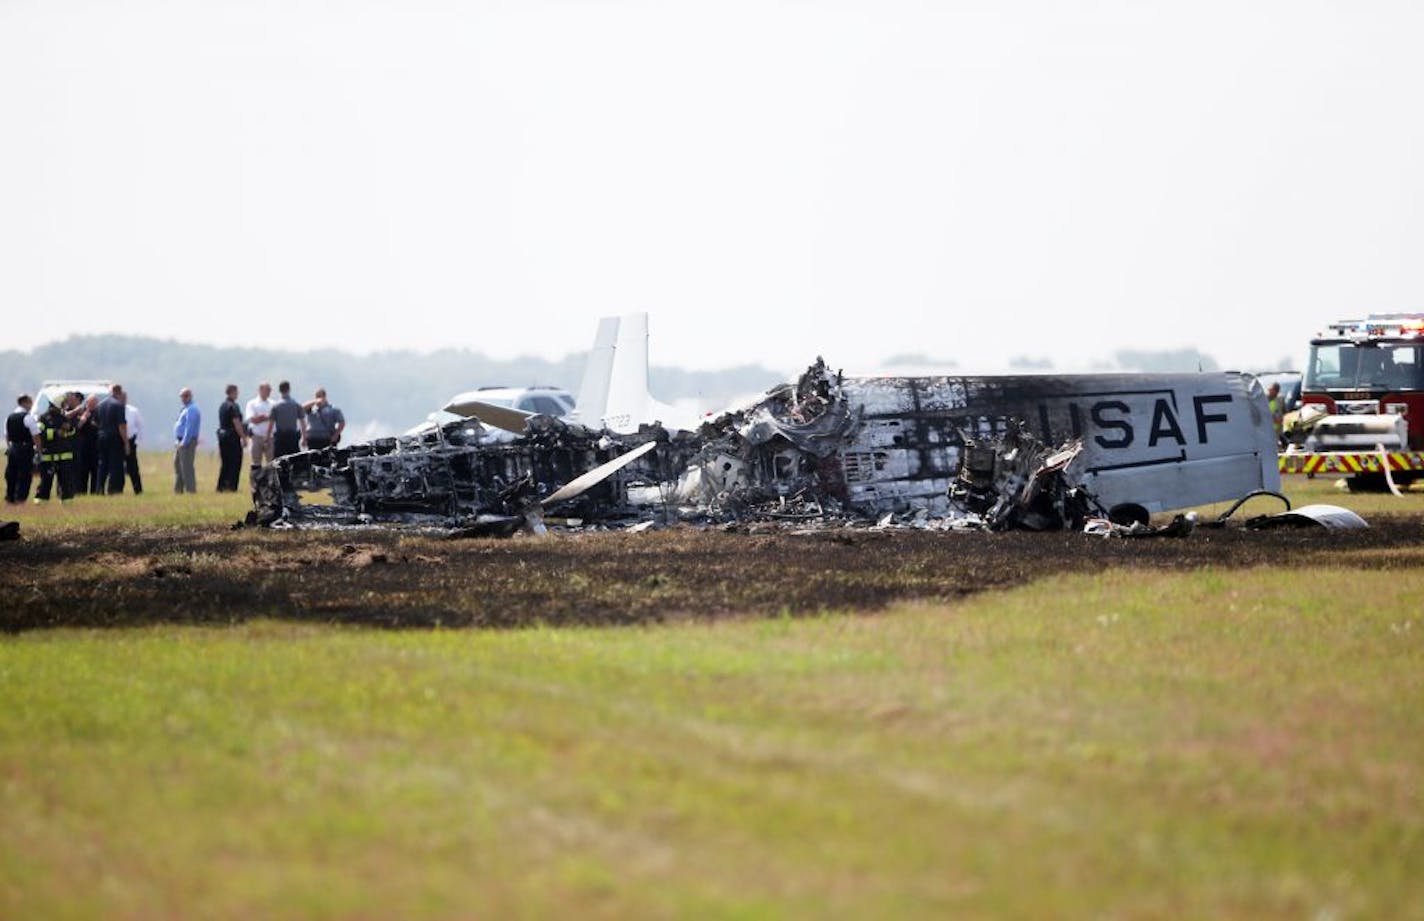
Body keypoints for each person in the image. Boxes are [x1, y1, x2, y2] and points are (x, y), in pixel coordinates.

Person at [34, 392, 86, 502]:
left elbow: (72, 431)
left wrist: (69, 429)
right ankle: (41, 503)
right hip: (49, 457)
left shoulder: (64, 416)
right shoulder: (43, 418)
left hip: (64, 457)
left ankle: (67, 503)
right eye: (64, 403)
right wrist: (55, 433)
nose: (65, 405)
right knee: (45, 483)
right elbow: (40, 434)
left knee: (66, 482)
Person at [95, 384, 130, 495]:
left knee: (102, 465)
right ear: (119, 392)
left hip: (101, 437)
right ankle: (114, 490)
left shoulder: (100, 405)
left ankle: (99, 489)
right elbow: (121, 425)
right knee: (115, 465)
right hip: (114, 438)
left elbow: (95, 421)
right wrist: (126, 442)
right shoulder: (119, 406)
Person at [5, 394, 39, 504]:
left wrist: (10, 447)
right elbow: (36, 435)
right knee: (24, 474)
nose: (31, 405)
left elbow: (7, 435)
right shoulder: (27, 417)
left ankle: (10, 498)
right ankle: (20, 499)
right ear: (25, 402)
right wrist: (39, 450)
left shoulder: (9, 417)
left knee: (11, 474)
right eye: (30, 402)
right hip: (25, 449)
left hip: (13, 448)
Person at [216, 384, 247, 492]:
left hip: (222, 437)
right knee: (235, 462)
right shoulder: (234, 406)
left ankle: (221, 486)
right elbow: (236, 422)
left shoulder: (223, 405)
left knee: (225, 463)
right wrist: (243, 436)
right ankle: (232, 487)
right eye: (236, 392)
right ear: (232, 392)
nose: (237, 394)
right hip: (232, 437)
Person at [173, 388, 201, 494]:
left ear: (190, 396)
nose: (183, 399)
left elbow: (189, 428)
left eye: (185, 396)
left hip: (187, 441)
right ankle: (178, 490)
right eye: (182, 396)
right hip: (180, 440)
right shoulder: (185, 409)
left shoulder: (192, 410)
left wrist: (184, 442)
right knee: (178, 465)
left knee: (187, 467)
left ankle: (191, 490)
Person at [269, 380, 306, 458]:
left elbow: (271, 423)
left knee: (278, 460)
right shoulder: (296, 405)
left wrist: (268, 436)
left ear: (279, 390)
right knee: (294, 460)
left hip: (280, 437)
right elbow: (302, 422)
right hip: (292, 436)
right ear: (289, 389)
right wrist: (304, 437)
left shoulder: (275, 406)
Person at [74, 394, 100, 495]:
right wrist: (83, 419)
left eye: (95, 403)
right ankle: (81, 491)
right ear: (87, 403)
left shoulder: (99, 413)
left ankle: (95, 491)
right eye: (91, 403)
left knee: (95, 471)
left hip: (95, 447)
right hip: (83, 447)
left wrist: (95, 425)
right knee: (82, 471)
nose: (93, 405)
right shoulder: (81, 412)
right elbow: (76, 428)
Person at [245, 381, 275, 467]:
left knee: (271, 463)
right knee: (256, 463)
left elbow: (274, 419)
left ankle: (270, 480)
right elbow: (252, 419)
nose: (269, 391)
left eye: (270, 390)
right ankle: (255, 480)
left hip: (270, 437)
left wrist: (261, 418)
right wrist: (267, 417)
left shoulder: (273, 404)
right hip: (257, 437)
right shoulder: (252, 403)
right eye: (267, 389)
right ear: (261, 390)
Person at [124, 399, 145, 494]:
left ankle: (138, 489)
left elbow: (140, 425)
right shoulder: (114, 409)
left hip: (131, 440)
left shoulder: (133, 411)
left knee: (133, 467)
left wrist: (137, 441)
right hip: (117, 442)